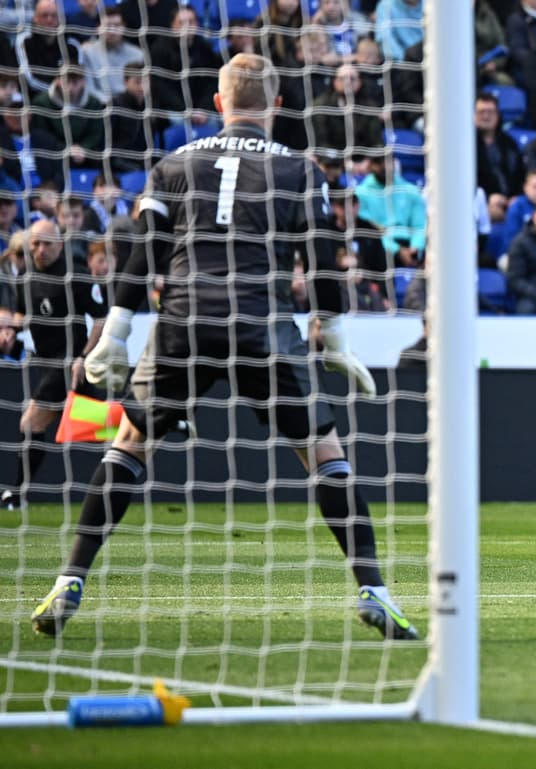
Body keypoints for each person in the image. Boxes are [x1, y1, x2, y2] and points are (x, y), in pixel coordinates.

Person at [28, 53, 418, 640]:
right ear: (278, 107)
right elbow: (321, 261)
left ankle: (69, 579)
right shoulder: (300, 170)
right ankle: (374, 590)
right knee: (323, 451)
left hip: (183, 322)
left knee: (130, 445)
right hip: (261, 323)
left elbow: (144, 253)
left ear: (218, 104)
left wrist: (115, 331)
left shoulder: (175, 162)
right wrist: (333, 334)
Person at [2, 219, 106, 511]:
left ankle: (17, 495)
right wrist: (11, 327)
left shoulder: (76, 275)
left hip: (70, 362)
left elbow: (101, 319)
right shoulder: (26, 277)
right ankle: (141, 423)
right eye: (35, 243)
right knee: (101, 425)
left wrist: (84, 357)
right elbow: (25, 316)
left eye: (47, 243)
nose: (40, 249)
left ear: (60, 244)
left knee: (30, 422)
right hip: (46, 364)